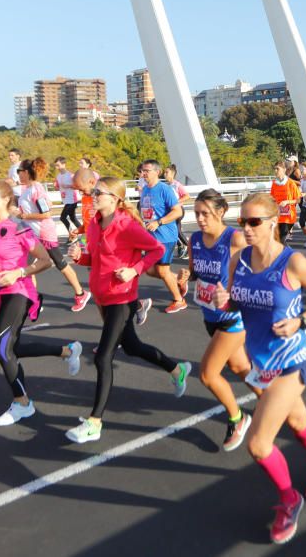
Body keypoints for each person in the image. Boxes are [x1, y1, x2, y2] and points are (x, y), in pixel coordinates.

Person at [212, 192, 306, 545]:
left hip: (293, 360)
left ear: (273, 222)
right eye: (243, 222)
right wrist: (227, 299)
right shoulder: (239, 260)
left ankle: (289, 499)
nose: (247, 229)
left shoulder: (293, 263)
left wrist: (301, 321)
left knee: (258, 444)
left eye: (254, 222)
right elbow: (240, 301)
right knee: (297, 421)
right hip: (262, 362)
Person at [65, 177, 192, 443]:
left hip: (121, 298)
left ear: (115, 198)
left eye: (99, 192)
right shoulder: (94, 225)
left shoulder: (126, 226)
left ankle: (94, 422)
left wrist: (134, 270)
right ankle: (177, 369)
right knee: (133, 346)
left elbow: (156, 250)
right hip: (102, 295)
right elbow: (96, 259)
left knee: (103, 358)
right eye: (93, 191)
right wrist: (80, 258)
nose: (93, 195)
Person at [0, 180, 83, 426]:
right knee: (12, 349)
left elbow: (45, 260)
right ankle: (67, 351)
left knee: (3, 351)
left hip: (20, 292)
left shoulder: (19, 227)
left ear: (5, 200)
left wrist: (18, 273)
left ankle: (23, 404)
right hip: (2, 292)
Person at [177, 189, 254, 451]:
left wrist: (234, 290)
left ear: (221, 212)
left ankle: (238, 418)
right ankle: (274, 403)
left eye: (205, 214)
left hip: (233, 316)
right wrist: (186, 276)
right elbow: (196, 271)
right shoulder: (195, 239)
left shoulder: (235, 238)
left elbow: (263, 267)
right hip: (209, 315)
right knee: (241, 368)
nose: (199, 219)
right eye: (196, 213)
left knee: (209, 375)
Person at [17, 158, 92, 312]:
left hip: (44, 232)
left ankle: (81, 293)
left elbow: (46, 213)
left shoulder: (36, 189)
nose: (17, 174)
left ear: (26, 172)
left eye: (19, 171)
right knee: (27, 266)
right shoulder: (27, 188)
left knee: (60, 263)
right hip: (32, 234)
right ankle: (34, 299)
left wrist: (24, 216)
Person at [138, 159, 188, 313]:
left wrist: (159, 222)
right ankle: (179, 280)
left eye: (147, 171)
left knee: (162, 271)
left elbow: (177, 211)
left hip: (165, 236)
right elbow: (146, 213)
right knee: (151, 270)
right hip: (151, 237)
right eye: (142, 171)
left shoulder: (165, 189)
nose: (143, 173)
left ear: (157, 172)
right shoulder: (145, 189)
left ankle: (179, 300)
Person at [164, 164, 192, 260]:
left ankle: (189, 249)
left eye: (166, 172)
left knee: (177, 231)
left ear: (172, 174)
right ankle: (181, 246)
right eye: (164, 172)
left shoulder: (177, 185)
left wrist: (176, 202)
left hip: (178, 210)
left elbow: (187, 196)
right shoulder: (167, 186)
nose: (164, 174)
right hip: (171, 211)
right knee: (171, 231)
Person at [270, 161, 301, 243]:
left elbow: (298, 199)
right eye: (275, 169)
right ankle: (287, 254)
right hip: (278, 216)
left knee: (281, 240)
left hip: (288, 217)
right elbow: (272, 199)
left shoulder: (291, 183)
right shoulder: (274, 184)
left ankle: (289, 255)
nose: (275, 171)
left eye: (277, 169)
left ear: (284, 169)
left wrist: (287, 202)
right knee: (277, 241)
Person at [54, 156, 81, 236]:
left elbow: (77, 186)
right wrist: (56, 187)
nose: (57, 167)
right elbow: (59, 187)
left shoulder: (71, 175)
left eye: (58, 165)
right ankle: (84, 234)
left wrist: (69, 186)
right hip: (66, 200)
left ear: (64, 164)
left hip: (72, 200)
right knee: (73, 218)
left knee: (62, 217)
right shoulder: (58, 176)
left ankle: (72, 235)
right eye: (56, 165)